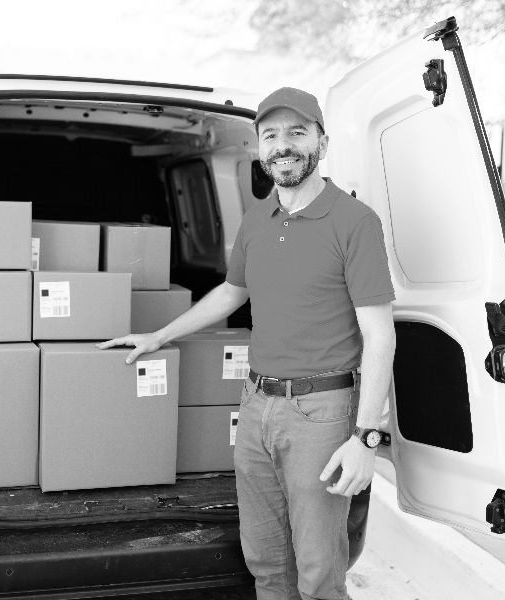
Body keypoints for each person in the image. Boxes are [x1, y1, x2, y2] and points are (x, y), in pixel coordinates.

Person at [97, 87, 396, 600]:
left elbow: (379, 334)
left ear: (321, 143)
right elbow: (232, 292)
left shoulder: (355, 222)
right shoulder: (258, 218)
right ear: (259, 148)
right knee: (264, 558)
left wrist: (366, 438)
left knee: (319, 568)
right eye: (271, 135)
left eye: (298, 133)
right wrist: (159, 335)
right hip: (256, 403)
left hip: (321, 412)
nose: (284, 146)